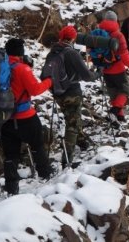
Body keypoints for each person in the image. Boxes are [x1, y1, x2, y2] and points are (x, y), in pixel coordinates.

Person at [1, 38, 54, 195]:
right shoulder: (22, 69)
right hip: (25, 117)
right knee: (37, 144)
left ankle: (11, 187)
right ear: (20, 52)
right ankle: (45, 174)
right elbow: (35, 89)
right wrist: (49, 82)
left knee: (10, 154)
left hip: (4, 118)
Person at [46, 25, 93, 168]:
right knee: (72, 124)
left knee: (71, 117)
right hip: (72, 92)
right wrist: (98, 73)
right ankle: (67, 160)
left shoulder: (53, 52)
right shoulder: (71, 53)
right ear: (73, 38)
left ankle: (83, 141)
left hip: (58, 93)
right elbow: (87, 76)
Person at [97, 11, 129, 123]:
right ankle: (114, 111)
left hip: (105, 69)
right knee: (125, 90)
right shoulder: (118, 35)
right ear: (115, 20)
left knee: (113, 93)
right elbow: (123, 53)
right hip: (118, 69)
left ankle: (120, 116)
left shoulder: (98, 33)